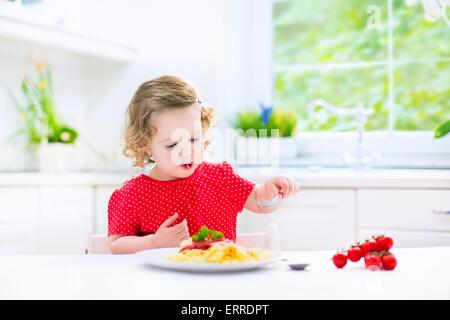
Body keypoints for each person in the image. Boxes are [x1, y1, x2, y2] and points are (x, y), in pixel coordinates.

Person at [107, 75, 300, 254]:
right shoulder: (133, 194)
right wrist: (153, 242)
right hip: (163, 286)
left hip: (220, 281)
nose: (187, 151)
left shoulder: (220, 178)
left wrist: (270, 191)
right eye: (173, 144)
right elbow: (116, 245)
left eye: (194, 139)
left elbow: (260, 202)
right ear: (145, 144)